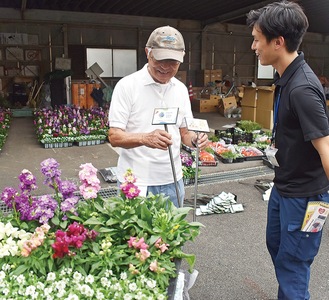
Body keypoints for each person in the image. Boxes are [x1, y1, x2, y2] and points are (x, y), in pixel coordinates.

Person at [246, 1, 329, 299]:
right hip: (285, 187)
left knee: (293, 264)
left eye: (257, 39)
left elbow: (327, 148)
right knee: (278, 248)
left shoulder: (302, 88)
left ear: (278, 42)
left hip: (306, 197)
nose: (254, 46)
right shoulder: (286, 78)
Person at [108, 25, 208, 207]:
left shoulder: (180, 90)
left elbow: (185, 133)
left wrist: (195, 140)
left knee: (172, 234)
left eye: (173, 62)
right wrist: (146, 138)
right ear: (148, 53)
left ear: (182, 59)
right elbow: (114, 136)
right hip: (136, 183)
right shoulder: (127, 86)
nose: (165, 67)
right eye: (160, 59)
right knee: (135, 236)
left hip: (173, 181)